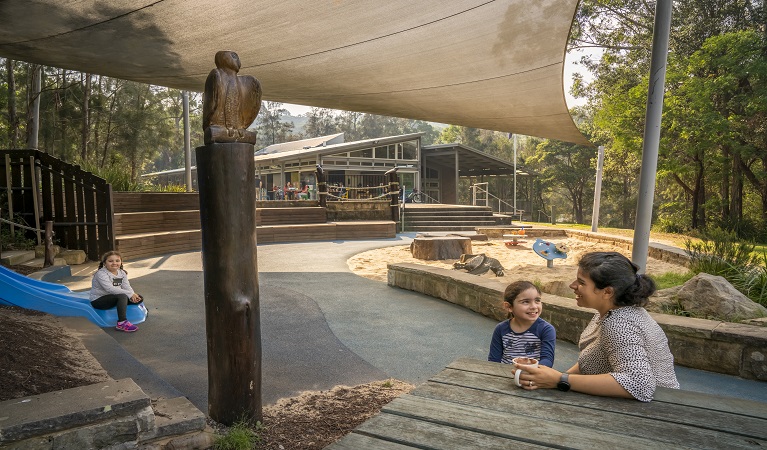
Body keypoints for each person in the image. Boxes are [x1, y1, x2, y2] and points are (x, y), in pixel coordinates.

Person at [513, 251, 680, 402]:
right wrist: (548, 378)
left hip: (658, 409)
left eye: (581, 282)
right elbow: (594, 359)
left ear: (607, 292)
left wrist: (561, 380)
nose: (572, 286)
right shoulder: (611, 312)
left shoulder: (619, 324)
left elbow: (640, 385)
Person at [488, 280, 556, 367]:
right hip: (504, 374)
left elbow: (547, 360)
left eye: (537, 300)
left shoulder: (546, 329)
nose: (534, 306)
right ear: (509, 307)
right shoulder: (501, 329)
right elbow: (493, 360)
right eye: (525, 302)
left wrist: (532, 371)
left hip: (533, 375)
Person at [90, 251, 144, 332]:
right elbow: (110, 289)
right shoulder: (101, 274)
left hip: (114, 297)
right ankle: (121, 323)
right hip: (99, 300)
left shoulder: (122, 272)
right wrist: (129, 294)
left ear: (121, 262)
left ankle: (124, 303)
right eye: (110, 261)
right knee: (122, 296)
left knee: (139, 297)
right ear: (104, 263)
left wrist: (132, 295)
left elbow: (126, 286)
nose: (114, 263)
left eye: (117, 261)